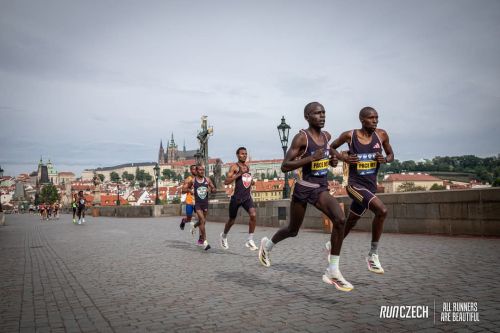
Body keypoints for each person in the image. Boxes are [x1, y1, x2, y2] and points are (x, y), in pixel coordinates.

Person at [258, 102, 353, 292]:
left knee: (340, 219)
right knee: (293, 230)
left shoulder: (326, 136)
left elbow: (327, 153)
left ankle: (332, 270)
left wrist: (334, 159)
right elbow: (285, 166)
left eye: (324, 112)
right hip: (304, 188)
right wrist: (311, 158)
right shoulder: (301, 138)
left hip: (321, 188)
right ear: (307, 117)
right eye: (317, 113)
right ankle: (267, 246)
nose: (322, 116)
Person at [327, 106, 394, 274]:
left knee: (350, 222)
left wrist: (385, 159)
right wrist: (344, 157)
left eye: (377, 117)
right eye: (371, 118)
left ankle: (331, 244)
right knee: (382, 211)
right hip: (355, 186)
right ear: (362, 120)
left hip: (370, 188)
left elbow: (391, 154)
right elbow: (331, 148)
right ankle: (373, 254)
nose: (375, 120)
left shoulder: (382, 135)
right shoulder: (350, 135)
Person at [220, 147, 258, 251]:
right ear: (237, 155)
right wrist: (239, 174)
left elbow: (246, 181)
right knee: (232, 220)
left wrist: (251, 181)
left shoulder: (247, 167)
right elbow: (226, 181)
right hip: (236, 198)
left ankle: (250, 240)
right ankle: (223, 236)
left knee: (253, 215)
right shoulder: (234, 167)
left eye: (245, 153)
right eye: (242, 154)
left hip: (247, 197)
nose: (244, 155)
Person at [192, 164, 216, 251]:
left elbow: (214, 189)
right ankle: (205, 242)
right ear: (196, 171)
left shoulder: (207, 180)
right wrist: (189, 190)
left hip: (205, 204)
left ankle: (195, 226)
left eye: (203, 170)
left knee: (203, 222)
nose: (202, 171)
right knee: (202, 220)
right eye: (200, 170)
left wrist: (210, 190)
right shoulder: (193, 180)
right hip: (197, 204)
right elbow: (184, 189)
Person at [180, 165, 197, 230]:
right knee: (189, 219)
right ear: (191, 170)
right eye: (193, 169)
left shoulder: (199, 179)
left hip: (197, 201)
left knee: (201, 217)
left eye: (196, 169)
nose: (195, 171)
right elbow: (183, 191)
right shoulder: (188, 179)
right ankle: (183, 221)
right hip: (189, 201)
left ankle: (196, 229)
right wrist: (190, 190)